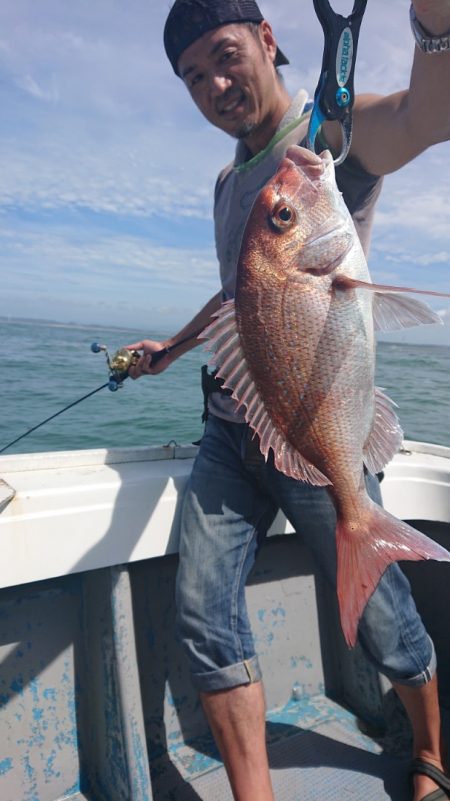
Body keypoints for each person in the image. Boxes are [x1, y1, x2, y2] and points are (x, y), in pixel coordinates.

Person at [126, 2, 450, 799]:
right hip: (232, 427)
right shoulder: (230, 181)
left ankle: (434, 750)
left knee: (378, 607)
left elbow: (423, 115)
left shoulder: (328, 140)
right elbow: (241, 293)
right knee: (203, 609)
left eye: (226, 56)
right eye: (194, 77)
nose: (216, 84)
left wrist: (435, 28)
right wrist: (172, 345)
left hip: (315, 424)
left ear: (269, 42)